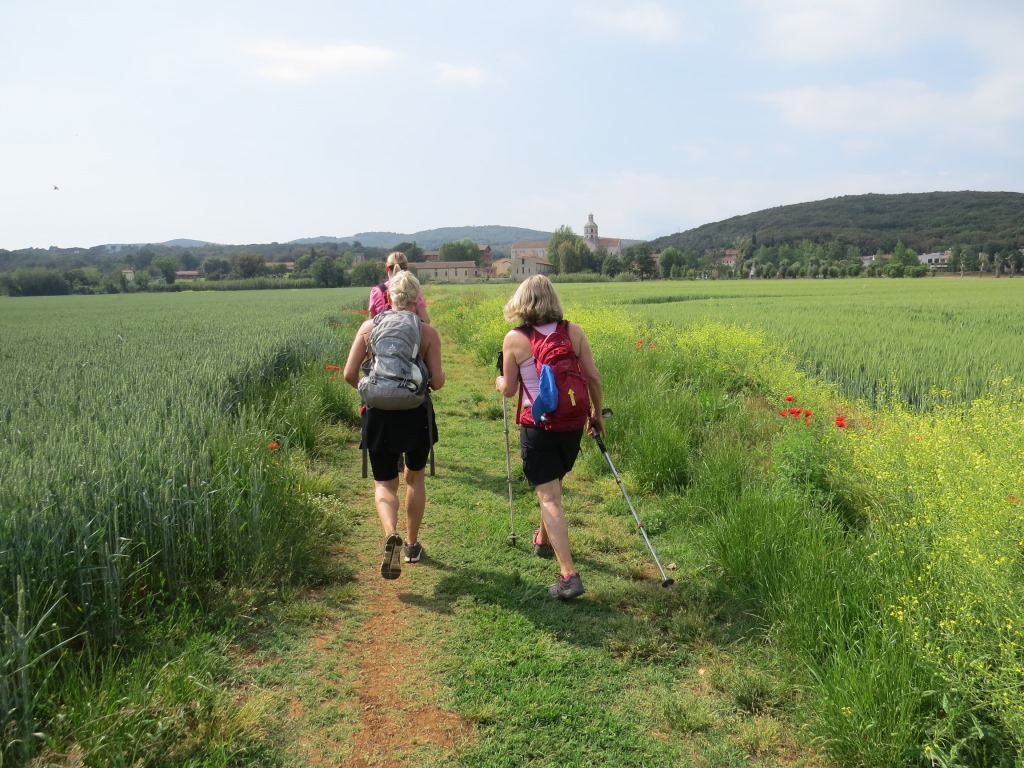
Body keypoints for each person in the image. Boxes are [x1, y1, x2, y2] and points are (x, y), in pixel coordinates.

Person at [495, 275, 603, 600]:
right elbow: (593, 377)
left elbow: (509, 389)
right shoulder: (573, 332)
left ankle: (568, 576)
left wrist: (499, 381)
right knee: (552, 488)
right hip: (571, 424)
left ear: (521, 301)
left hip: (538, 426)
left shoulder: (515, 339)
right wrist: (596, 414)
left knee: (549, 498)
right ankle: (542, 540)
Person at [345, 270, 445, 580]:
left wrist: (373, 390)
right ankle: (412, 546)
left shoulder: (368, 327)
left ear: (389, 298)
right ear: (417, 298)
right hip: (415, 415)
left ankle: (391, 533)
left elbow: (349, 374)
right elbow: (438, 382)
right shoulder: (427, 332)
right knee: (414, 478)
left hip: (378, 415)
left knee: (385, 483)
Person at [368, 251, 430, 323]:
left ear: (386, 268)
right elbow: (425, 320)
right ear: (406, 268)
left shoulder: (377, 291)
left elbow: (372, 322)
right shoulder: (412, 288)